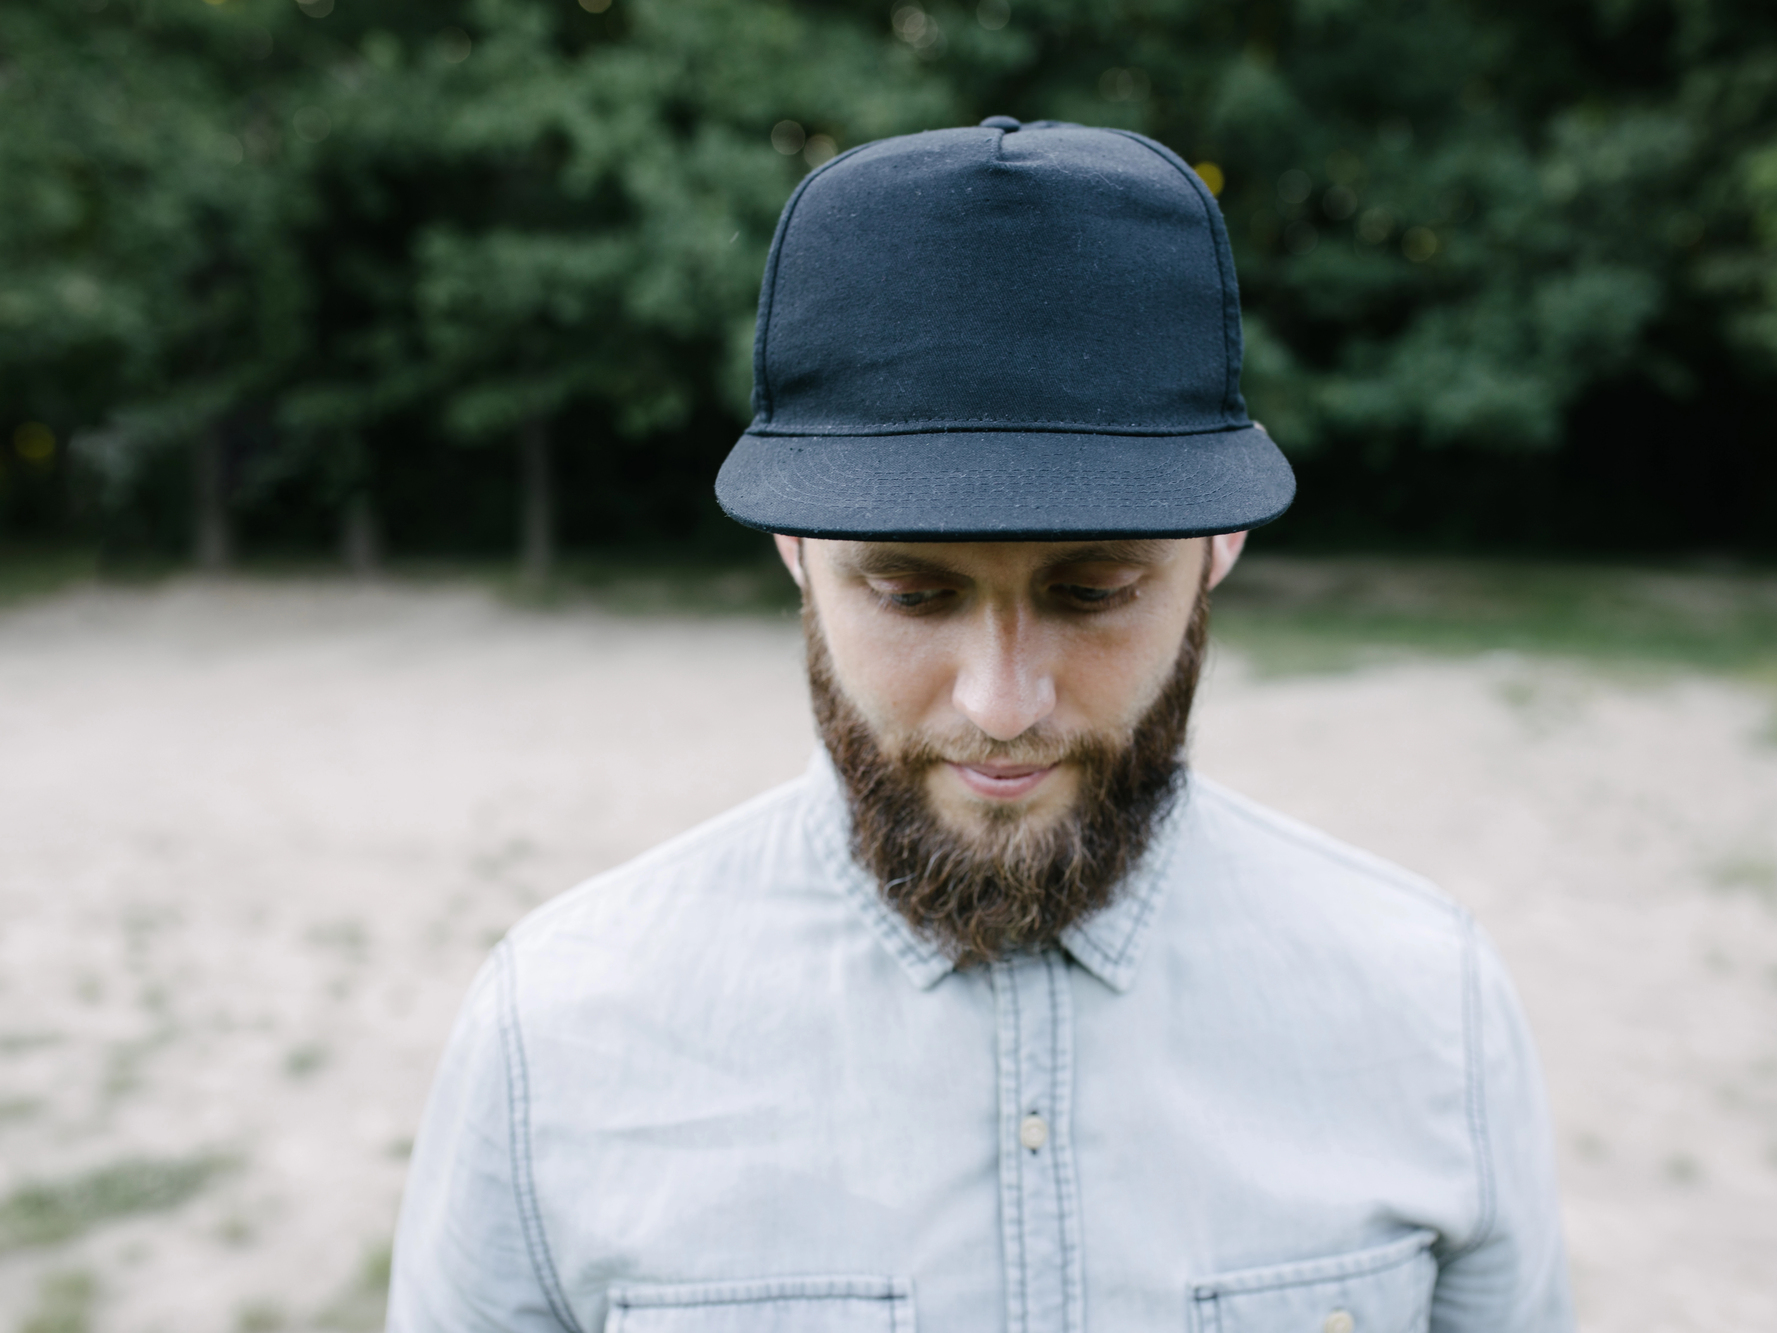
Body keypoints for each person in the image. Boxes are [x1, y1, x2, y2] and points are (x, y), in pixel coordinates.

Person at [388, 118, 1572, 1332]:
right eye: (910, 593)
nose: (1000, 703)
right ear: (797, 551)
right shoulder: (560, 1029)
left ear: (1219, 546)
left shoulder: (1426, 1003)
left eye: (1092, 593)